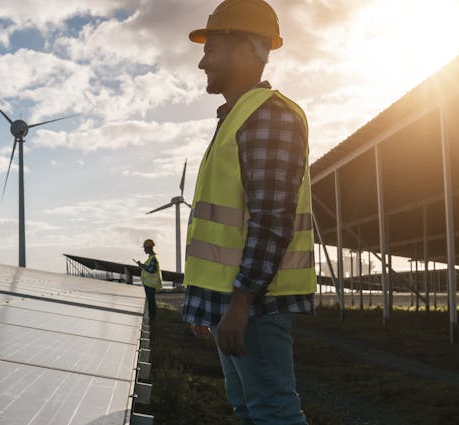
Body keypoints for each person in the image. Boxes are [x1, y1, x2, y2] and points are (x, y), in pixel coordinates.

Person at [182, 1, 316, 424]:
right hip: (231, 300)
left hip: (253, 302)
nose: (203, 62)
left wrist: (240, 303)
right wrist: (207, 305)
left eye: (212, 49)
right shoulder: (237, 117)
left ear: (245, 50)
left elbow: (272, 217)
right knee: (248, 410)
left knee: (273, 411)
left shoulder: (269, 117)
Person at [136, 238, 162, 320]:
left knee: (151, 302)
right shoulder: (151, 258)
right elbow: (149, 269)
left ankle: (152, 318)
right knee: (150, 301)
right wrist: (141, 265)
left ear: (149, 248)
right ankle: (152, 317)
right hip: (149, 284)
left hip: (151, 284)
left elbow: (151, 270)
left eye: (145, 248)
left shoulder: (153, 258)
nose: (144, 249)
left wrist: (142, 266)